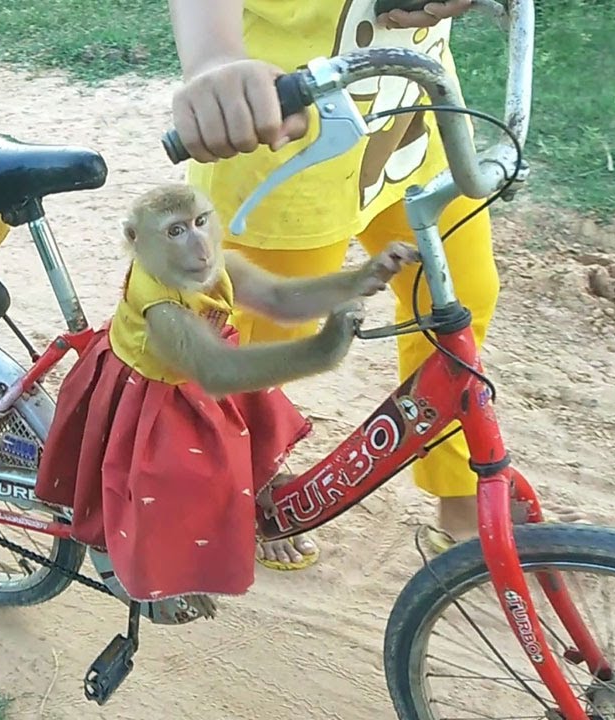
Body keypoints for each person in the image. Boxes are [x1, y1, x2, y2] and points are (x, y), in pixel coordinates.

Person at [166, 0, 496, 570]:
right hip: (280, 137)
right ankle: (248, 475)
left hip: (411, 117)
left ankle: (461, 491)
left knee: (462, 294)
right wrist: (212, 58)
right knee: (257, 337)